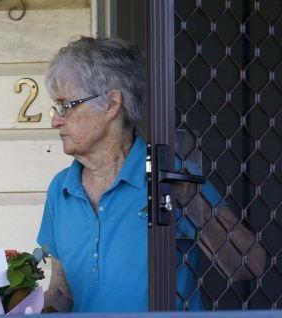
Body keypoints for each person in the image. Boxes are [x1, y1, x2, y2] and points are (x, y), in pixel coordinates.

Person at [37, 37, 266, 312]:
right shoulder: (61, 189)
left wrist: (191, 201)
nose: (55, 120)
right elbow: (62, 291)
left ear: (111, 105)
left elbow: (249, 265)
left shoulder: (170, 175)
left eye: (66, 106)